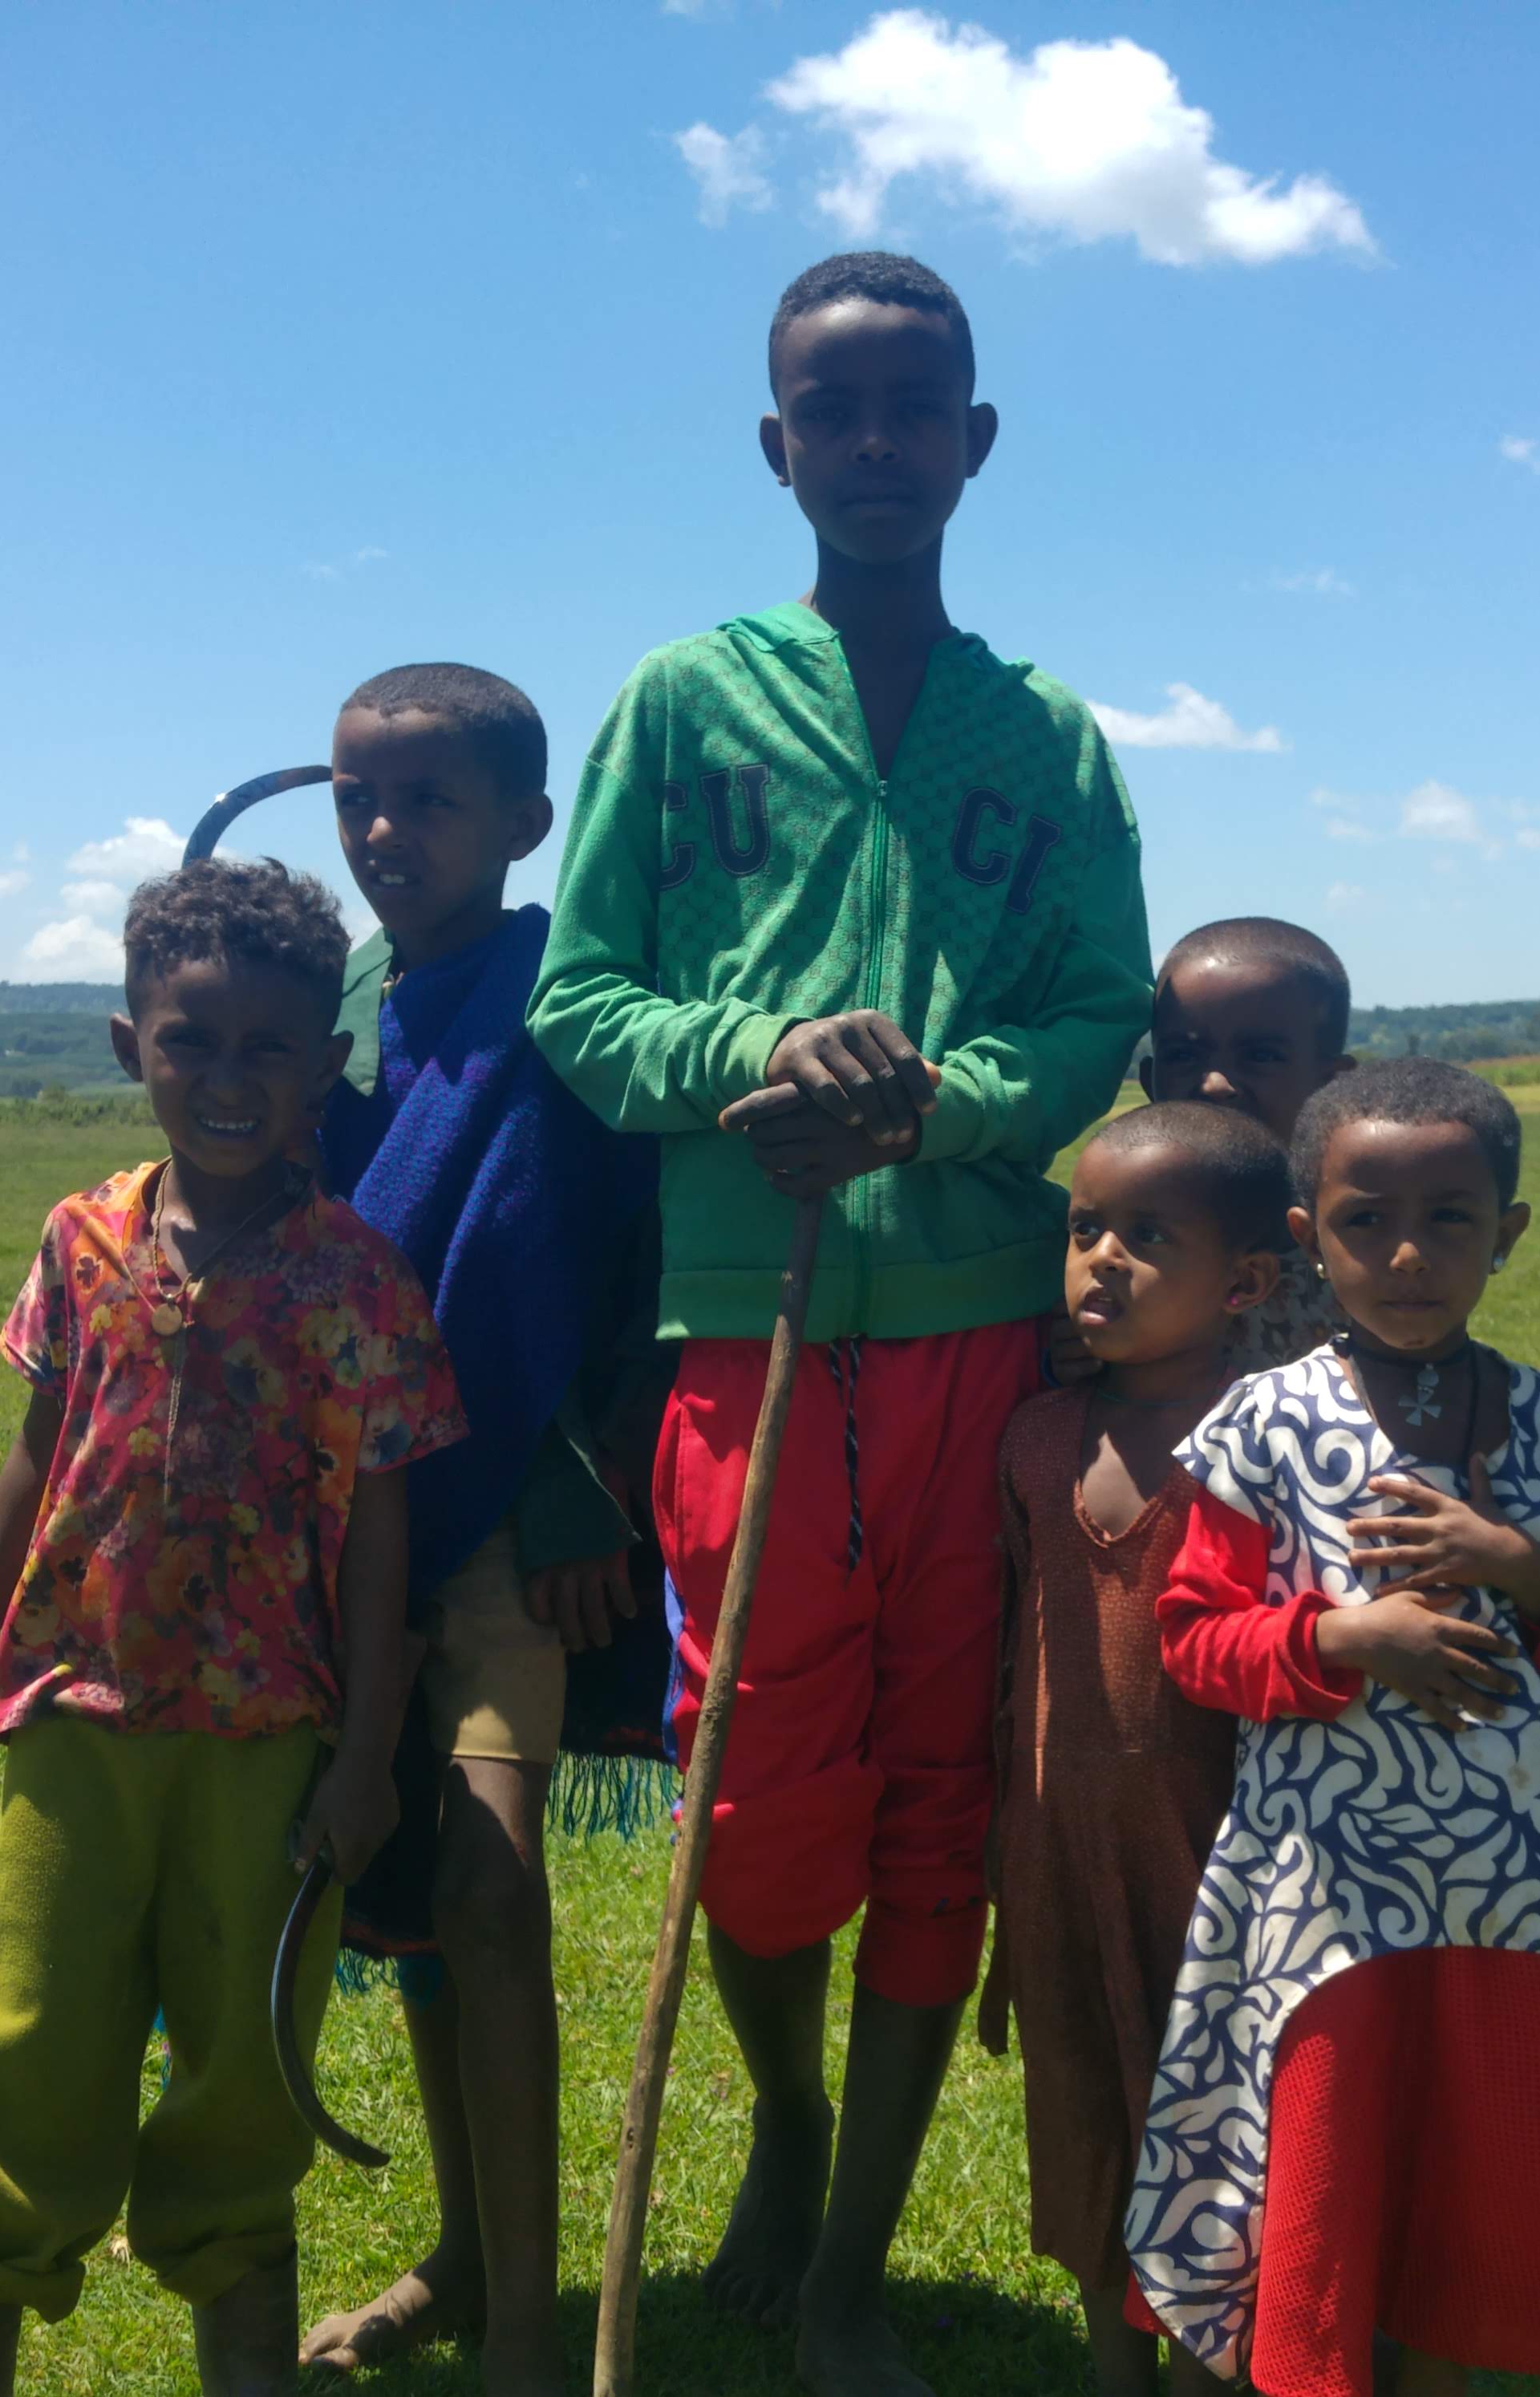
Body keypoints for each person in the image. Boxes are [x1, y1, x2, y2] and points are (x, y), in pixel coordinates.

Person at [528, 249, 1151, 2397]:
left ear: (973, 444)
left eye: (917, 409)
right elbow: (581, 999)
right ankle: (788, 2114)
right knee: (756, 1787)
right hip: (753, 1337)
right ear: (778, 445)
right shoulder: (683, 702)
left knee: (935, 1791)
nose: (877, 446)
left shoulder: (1048, 734)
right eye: (834, 409)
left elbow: (1097, 1010)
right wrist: (760, 1059)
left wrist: (948, 1101)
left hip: (982, 1327)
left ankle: (849, 2266)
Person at [0, 859, 465, 2397]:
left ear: (327, 1064)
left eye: (272, 1047)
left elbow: (384, 1536)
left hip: (273, 1741)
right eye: (192, 1041)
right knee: (22, 2044)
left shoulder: (358, 1280)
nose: (229, 1079)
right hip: (78, 1714)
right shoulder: (81, 1239)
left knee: (243, 2075)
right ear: (131, 1044)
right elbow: (35, 1447)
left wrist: (367, 1760)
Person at [1129, 1059, 1540, 2397]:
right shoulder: (1264, 1426)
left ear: (1506, 1232)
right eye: (1364, 1219)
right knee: (1342, 2166)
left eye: (1450, 1217)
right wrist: (1349, 1637)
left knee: (1503, 2176)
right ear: (1307, 1237)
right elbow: (1192, 1639)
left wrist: (1517, 1563)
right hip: (1333, 1904)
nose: (1407, 1252)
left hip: (1537, 1906)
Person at [296, 662, 666, 2397]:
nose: (384, 833)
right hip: (341, 1516)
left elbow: (617, 1262)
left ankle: (530, 2324)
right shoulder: (348, 1002)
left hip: (519, 1515)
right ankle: (457, 2247)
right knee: (408, 1892)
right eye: (359, 799)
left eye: (428, 800)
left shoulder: (566, 998)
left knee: (491, 1882)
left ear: (527, 825)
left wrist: (587, 1474)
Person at [976, 1103, 1286, 2397]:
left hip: (1219, 1868)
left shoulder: (1267, 1439)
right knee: (1085, 2102)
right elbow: (1011, 1658)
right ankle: (1114, 2360)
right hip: (1059, 1855)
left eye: (1147, 1236)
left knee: (1219, 2118)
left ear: (1247, 1282)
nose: (1102, 1257)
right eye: (1084, 1227)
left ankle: (1218, 2361)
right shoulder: (1037, 1437)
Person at [1137, 916, 1359, 1371]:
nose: (1216, 1084)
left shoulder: (1365, 1245)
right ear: (1149, 1081)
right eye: (1183, 1056)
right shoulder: (1110, 1234)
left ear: (1333, 1085)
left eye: (1260, 1055)